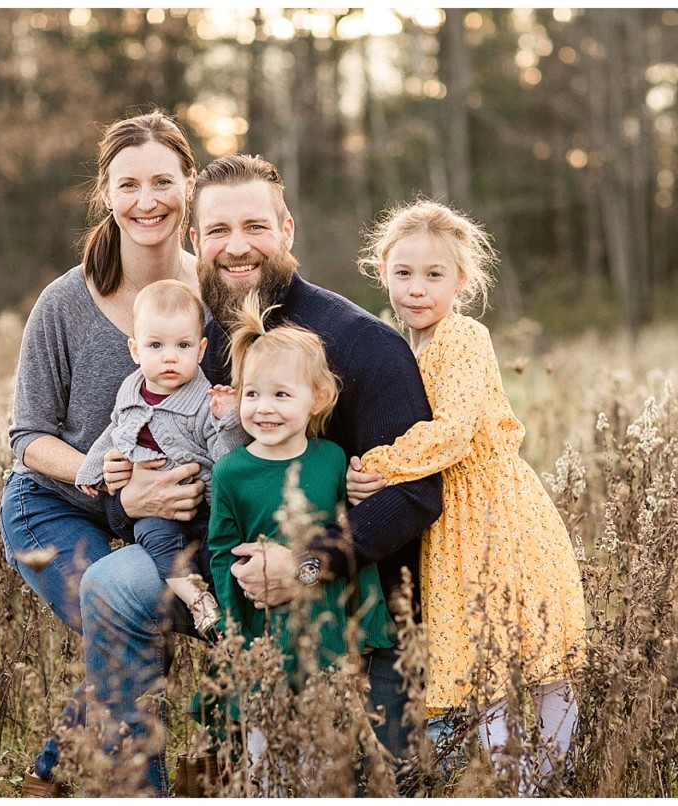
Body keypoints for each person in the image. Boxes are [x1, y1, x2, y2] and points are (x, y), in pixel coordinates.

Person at [82, 154, 442, 795]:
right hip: (230, 587)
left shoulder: (362, 346)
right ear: (195, 241)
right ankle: (135, 782)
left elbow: (416, 498)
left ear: (288, 232)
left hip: (357, 607)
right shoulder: (192, 349)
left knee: (370, 784)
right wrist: (126, 497)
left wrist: (305, 565)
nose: (236, 246)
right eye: (218, 230)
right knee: (112, 581)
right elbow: (154, 462)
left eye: (256, 226)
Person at [0, 110, 201, 797]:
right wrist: (113, 489)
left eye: (163, 182)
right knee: (127, 631)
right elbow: (27, 438)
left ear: (189, 186)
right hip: (54, 507)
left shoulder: (217, 299)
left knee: (136, 626)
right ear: (107, 195)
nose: (148, 201)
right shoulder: (64, 303)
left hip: (161, 522)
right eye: (129, 185)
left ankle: (49, 776)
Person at [350, 199, 588, 789]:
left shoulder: (462, 334)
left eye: (434, 275)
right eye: (403, 273)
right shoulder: (407, 346)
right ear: (383, 273)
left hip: (494, 512)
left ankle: (545, 782)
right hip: (453, 524)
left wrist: (383, 463)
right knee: (484, 661)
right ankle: (518, 783)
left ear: (462, 281)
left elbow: (454, 430)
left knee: (532, 659)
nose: (417, 289)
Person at [207, 296, 393, 769]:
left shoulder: (331, 460)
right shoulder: (231, 471)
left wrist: (368, 623)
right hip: (261, 630)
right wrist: (231, 627)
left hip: (325, 628)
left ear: (319, 398)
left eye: (281, 395)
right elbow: (221, 551)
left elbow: (351, 541)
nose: (264, 409)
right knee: (262, 751)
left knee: (320, 753)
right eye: (252, 394)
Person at [75, 279, 246, 635]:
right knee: (153, 533)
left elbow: (228, 459)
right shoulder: (131, 390)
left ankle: (233, 622)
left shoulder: (205, 401)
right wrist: (91, 469)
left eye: (182, 345)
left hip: (205, 507)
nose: (170, 356)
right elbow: (114, 431)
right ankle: (196, 599)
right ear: (136, 351)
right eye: (156, 345)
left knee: (221, 551)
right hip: (154, 510)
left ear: (201, 351)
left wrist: (227, 420)